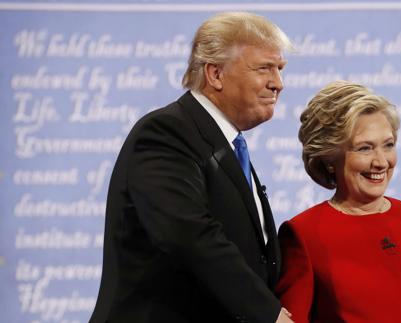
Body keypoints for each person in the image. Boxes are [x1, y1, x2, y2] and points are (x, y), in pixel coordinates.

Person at [90, 12, 294, 323]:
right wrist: (269, 314)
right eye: (264, 68)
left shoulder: (225, 142)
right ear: (215, 74)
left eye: (279, 69)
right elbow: (188, 236)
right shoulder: (166, 133)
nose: (277, 83)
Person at [275, 80, 401, 323]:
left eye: (388, 145)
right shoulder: (304, 235)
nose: (381, 162)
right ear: (329, 157)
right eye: (365, 148)